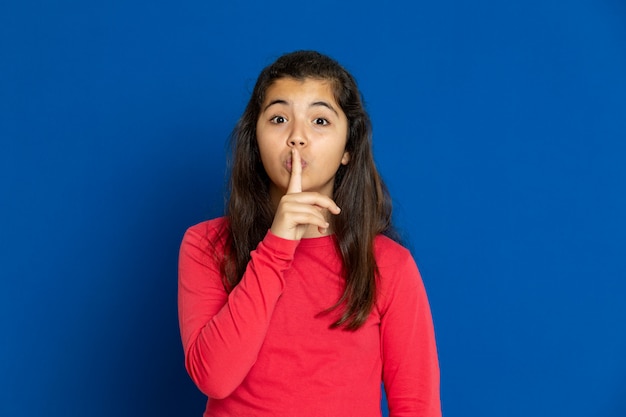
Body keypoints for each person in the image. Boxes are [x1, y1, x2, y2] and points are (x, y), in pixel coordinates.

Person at [178, 50, 441, 417]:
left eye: (319, 120)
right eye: (279, 118)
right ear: (255, 140)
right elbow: (214, 378)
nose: (297, 138)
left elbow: (417, 407)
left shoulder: (389, 265)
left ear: (348, 148)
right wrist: (278, 245)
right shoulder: (206, 245)